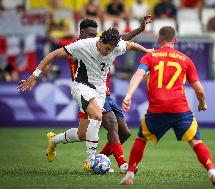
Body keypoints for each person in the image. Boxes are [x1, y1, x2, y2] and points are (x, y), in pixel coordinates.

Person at [17, 28, 152, 172]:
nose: (108, 52)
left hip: (100, 92)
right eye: (107, 48)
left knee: (82, 134)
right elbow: (53, 54)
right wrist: (34, 75)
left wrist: (148, 52)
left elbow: (130, 45)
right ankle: (91, 162)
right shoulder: (84, 45)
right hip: (82, 86)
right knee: (98, 116)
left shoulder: (115, 47)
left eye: (111, 49)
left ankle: (54, 140)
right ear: (100, 42)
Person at [120, 26, 215, 186]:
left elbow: (138, 75)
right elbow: (199, 90)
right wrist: (202, 103)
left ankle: (129, 176)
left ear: (158, 40)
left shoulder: (150, 56)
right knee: (196, 142)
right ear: (175, 40)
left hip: (157, 109)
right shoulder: (185, 59)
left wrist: (128, 95)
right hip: (180, 109)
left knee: (141, 139)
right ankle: (213, 174)